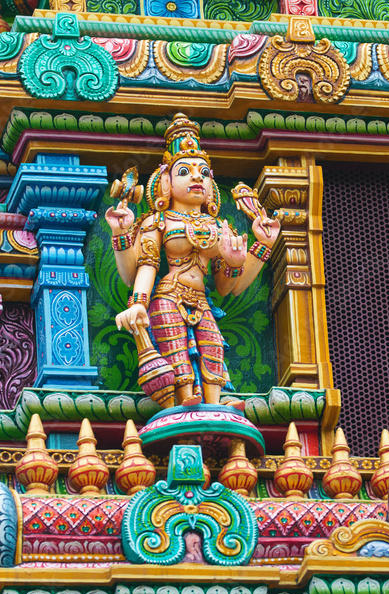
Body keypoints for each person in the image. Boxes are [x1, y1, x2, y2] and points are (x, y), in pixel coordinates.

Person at [105, 113, 279, 407]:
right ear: (165, 183)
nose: (197, 177)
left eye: (204, 173)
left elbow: (227, 287)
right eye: (184, 171)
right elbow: (147, 265)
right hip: (168, 296)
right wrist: (138, 303)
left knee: (213, 350)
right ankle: (184, 400)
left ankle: (212, 403)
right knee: (177, 353)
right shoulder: (158, 222)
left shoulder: (219, 227)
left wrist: (258, 248)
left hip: (202, 299)